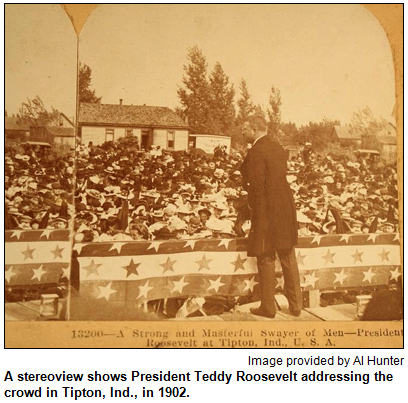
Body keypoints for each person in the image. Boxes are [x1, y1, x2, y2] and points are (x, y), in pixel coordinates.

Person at [240, 115, 303, 318]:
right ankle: (296, 306)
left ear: (256, 129)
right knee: (287, 255)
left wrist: (249, 203)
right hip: (285, 206)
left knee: (265, 256)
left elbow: (256, 184)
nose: (243, 132)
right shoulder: (278, 147)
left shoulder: (256, 151)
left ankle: (268, 307)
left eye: (246, 128)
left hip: (266, 210)